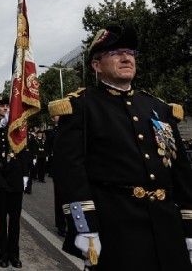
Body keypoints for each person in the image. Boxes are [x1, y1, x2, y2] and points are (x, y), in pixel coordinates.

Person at [49, 21, 192, 271]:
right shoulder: (81, 106)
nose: (126, 57)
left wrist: (190, 225)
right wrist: (85, 228)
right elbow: (69, 171)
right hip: (116, 229)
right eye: (116, 53)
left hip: (167, 227)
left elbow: (179, 168)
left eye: (131, 53)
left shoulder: (158, 108)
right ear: (96, 65)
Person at [0, 96, 29, 269]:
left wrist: (26, 174)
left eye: (7, 106)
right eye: (2, 106)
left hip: (16, 175)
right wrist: (5, 122)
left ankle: (14, 254)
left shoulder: (21, 125)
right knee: (1, 219)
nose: (5, 108)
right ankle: (3, 254)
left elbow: (25, 150)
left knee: (15, 220)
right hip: (1, 176)